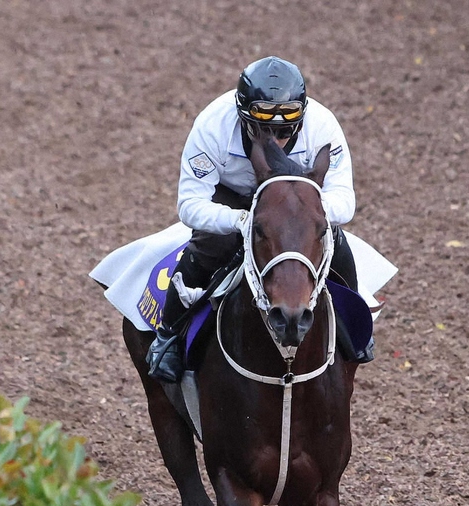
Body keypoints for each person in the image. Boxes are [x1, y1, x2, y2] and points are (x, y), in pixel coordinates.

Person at [147, 55, 371, 383]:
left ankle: (354, 326)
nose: (276, 140)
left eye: (285, 132)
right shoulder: (212, 126)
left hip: (296, 203)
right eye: (266, 130)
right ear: (242, 117)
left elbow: (344, 202)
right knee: (211, 244)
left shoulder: (323, 128)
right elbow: (190, 204)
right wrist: (241, 220)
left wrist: (303, 215)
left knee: (335, 242)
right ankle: (168, 338)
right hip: (233, 197)